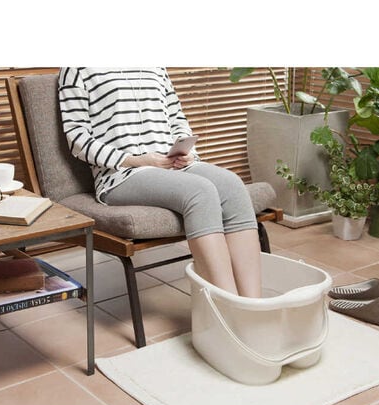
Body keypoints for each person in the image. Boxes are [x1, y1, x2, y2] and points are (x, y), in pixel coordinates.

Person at [58, 67, 261, 297]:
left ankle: (252, 306)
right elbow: (77, 138)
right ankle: (227, 307)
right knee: (200, 191)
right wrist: (135, 160)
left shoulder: (156, 66)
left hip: (172, 164)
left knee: (233, 186)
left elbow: (176, 118)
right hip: (122, 173)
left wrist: (186, 151)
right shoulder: (77, 68)